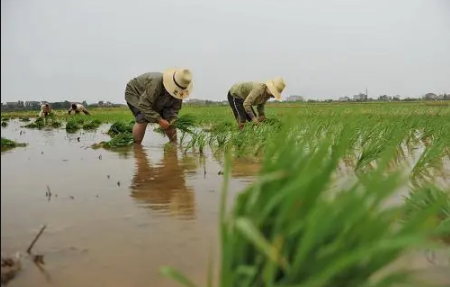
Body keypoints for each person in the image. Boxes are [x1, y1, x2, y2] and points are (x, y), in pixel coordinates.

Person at [124, 68, 193, 144]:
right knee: (142, 118)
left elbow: (174, 109)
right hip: (135, 92)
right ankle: (137, 146)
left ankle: (174, 143)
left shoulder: (180, 92)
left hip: (153, 96)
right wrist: (159, 119)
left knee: (169, 120)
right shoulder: (155, 83)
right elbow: (144, 106)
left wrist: (172, 119)